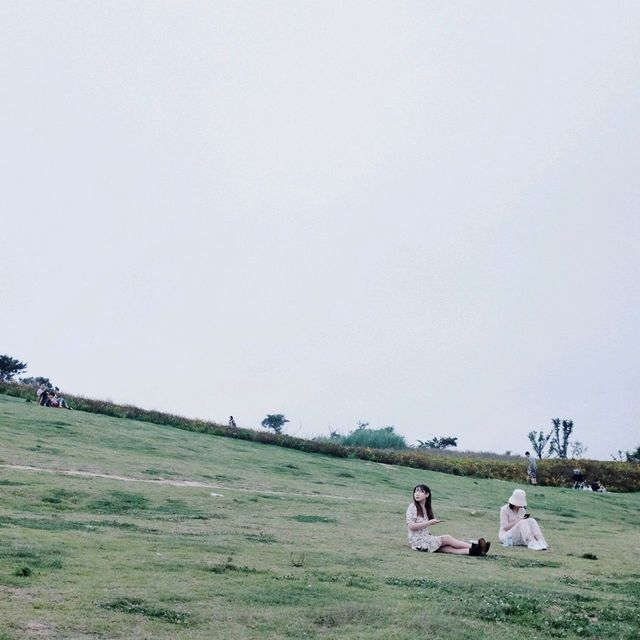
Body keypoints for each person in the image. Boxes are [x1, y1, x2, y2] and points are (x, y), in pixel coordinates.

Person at [406, 484, 490, 556]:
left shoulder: (426, 508)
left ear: (427, 495)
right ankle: (476, 547)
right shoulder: (412, 507)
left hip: (426, 538)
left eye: (420, 492)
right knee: (447, 538)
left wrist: (429, 529)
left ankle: (476, 551)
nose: (417, 494)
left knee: (448, 548)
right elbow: (411, 526)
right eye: (416, 492)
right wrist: (429, 523)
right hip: (418, 542)